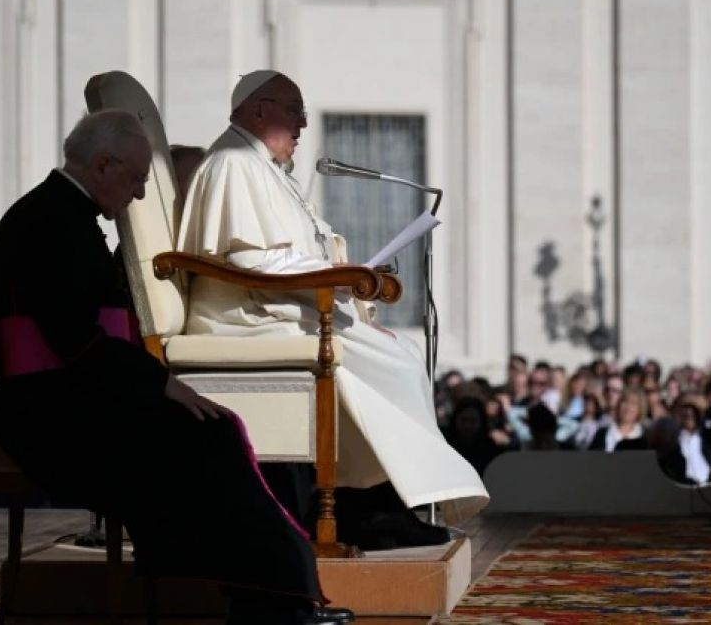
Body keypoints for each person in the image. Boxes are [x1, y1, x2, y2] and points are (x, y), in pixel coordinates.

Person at [0, 110, 350, 625]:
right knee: (207, 436)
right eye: (134, 179)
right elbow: (76, 341)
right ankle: (270, 600)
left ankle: (269, 596)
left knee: (210, 430)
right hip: (46, 411)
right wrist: (161, 385)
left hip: (66, 394)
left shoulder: (64, 215)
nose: (137, 195)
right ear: (102, 164)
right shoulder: (49, 223)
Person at [177, 70, 488, 545]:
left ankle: (378, 503)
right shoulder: (234, 161)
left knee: (399, 354)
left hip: (280, 308)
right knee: (396, 366)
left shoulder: (263, 167)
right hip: (246, 318)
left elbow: (284, 254)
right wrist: (338, 279)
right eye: (293, 110)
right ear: (259, 109)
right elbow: (247, 259)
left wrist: (343, 276)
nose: (303, 123)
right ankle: (368, 507)